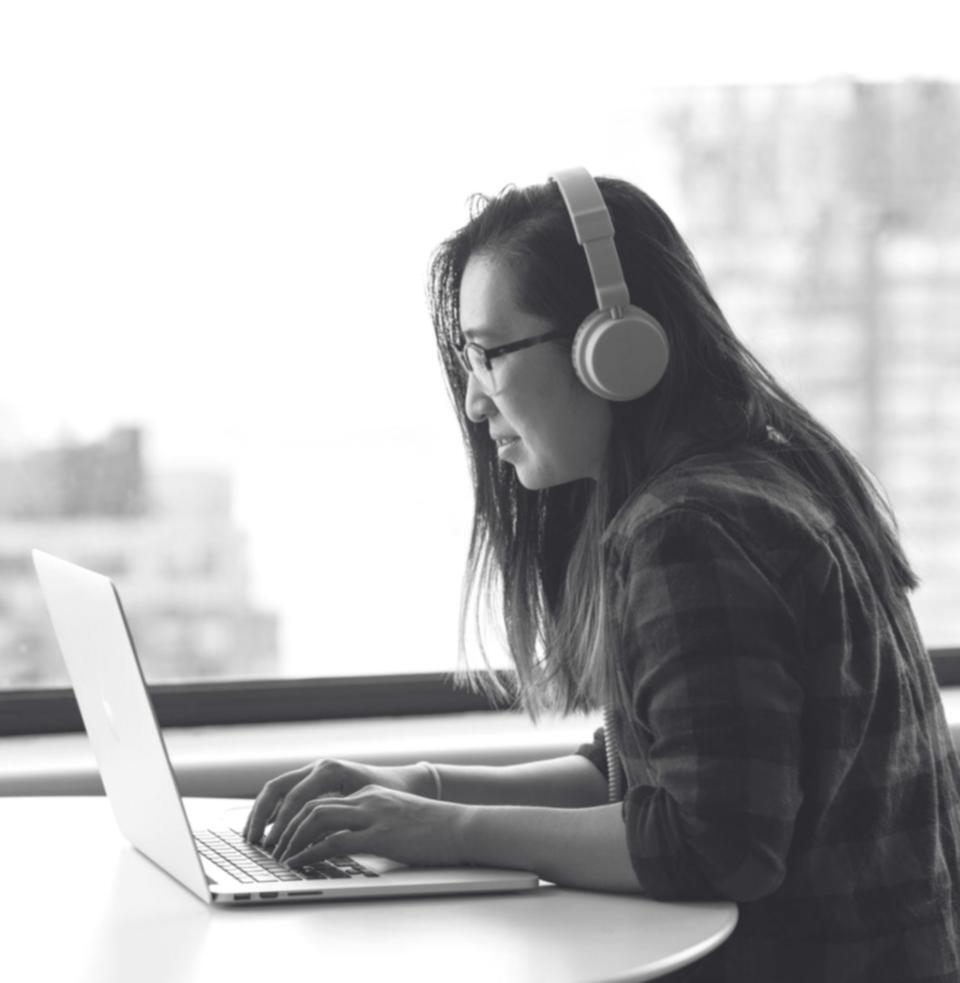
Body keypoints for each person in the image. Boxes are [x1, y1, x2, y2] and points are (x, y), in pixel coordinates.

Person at [243, 169, 960, 981]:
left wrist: (443, 829)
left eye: (489, 354)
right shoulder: (753, 478)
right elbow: (637, 768)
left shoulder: (690, 528)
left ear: (612, 348)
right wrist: (418, 785)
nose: (477, 406)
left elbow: (713, 843)